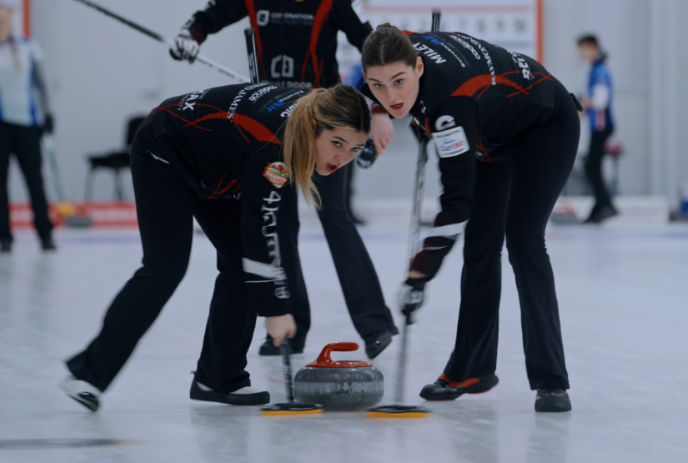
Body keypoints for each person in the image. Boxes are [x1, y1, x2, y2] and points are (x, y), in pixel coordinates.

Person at [59, 83, 370, 412]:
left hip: (219, 161)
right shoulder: (274, 146)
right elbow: (260, 228)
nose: (342, 158)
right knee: (165, 268)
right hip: (164, 149)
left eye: (355, 149)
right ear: (312, 125)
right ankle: (89, 373)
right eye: (337, 143)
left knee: (240, 265)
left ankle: (219, 377)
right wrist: (275, 309)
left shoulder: (310, 114)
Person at [360, 25, 581, 412]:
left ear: (418, 67)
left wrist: (420, 274)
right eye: (377, 86)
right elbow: (373, 60)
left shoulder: (451, 103)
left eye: (399, 82)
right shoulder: (398, 43)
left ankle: (552, 380)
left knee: (524, 241)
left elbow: (457, 203)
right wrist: (374, 109)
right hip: (492, 130)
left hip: (545, 123)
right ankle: (471, 369)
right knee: (481, 244)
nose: (392, 96)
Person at [169, 0, 398, 359]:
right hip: (275, 127)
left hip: (325, 127)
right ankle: (291, 328)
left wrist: (381, 107)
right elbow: (209, 16)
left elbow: (374, 45)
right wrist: (190, 36)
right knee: (278, 221)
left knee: (334, 216)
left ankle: (376, 325)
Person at [0, 2, 55, 252]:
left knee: (35, 182)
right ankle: (4, 238)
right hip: (1, 127)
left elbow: (41, 84)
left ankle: (45, 235)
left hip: (27, 125)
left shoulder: (28, 47)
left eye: (4, 21)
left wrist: (48, 115)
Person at [578, 34, 617, 223]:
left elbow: (600, 101)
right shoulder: (595, 69)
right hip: (598, 126)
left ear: (593, 47)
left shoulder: (600, 71)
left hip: (602, 126)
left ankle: (605, 205)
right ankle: (601, 206)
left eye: (583, 49)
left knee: (591, 166)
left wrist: (583, 103)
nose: (581, 53)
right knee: (592, 166)